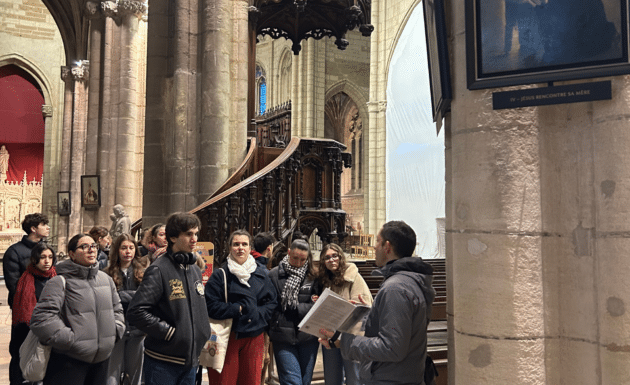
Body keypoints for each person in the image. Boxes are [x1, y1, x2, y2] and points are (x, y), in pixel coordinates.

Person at [318, 221, 435, 385]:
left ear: (387, 247)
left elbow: (391, 347)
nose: (374, 247)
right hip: (400, 375)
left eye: (377, 242)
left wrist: (343, 341)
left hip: (391, 378)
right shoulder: (409, 280)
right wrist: (369, 314)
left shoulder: (396, 288)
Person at [126, 212, 210, 385]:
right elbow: (136, 311)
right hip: (163, 362)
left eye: (195, 234)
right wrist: (169, 332)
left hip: (190, 360)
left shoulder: (193, 269)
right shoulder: (159, 269)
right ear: (172, 237)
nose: (194, 239)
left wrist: (202, 332)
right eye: (188, 234)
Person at [30, 233, 126, 385]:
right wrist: (71, 341)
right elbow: (42, 319)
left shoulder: (105, 279)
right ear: (72, 254)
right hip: (69, 361)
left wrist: (116, 331)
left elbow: (117, 309)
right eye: (84, 247)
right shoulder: (60, 281)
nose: (91, 250)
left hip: (101, 361)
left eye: (93, 246)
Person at [205, 229, 278, 384]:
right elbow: (209, 305)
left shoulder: (261, 273)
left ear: (250, 248)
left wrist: (257, 314)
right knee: (224, 381)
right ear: (229, 248)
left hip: (254, 336)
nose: (240, 248)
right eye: (236, 244)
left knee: (251, 381)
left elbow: (271, 303)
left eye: (244, 244)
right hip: (228, 335)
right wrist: (236, 309)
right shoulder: (220, 275)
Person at [268, 238, 323, 385]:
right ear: (289, 252)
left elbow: (319, 306)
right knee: (292, 382)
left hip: (308, 337)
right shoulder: (274, 275)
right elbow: (271, 306)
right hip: (283, 336)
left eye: (303, 259)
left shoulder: (313, 276)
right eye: (295, 258)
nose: (298, 263)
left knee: (305, 381)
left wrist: (295, 308)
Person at [316, 243, 373, 385]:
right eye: (327, 257)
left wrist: (350, 304)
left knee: (354, 378)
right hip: (330, 334)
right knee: (332, 378)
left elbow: (365, 303)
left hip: (350, 336)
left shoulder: (354, 276)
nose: (331, 260)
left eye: (334, 256)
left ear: (341, 256)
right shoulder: (325, 280)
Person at [104, 234, 150, 385]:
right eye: (124, 248)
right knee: (112, 373)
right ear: (117, 250)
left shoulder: (143, 272)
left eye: (131, 248)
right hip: (115, 329)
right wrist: (131, 296)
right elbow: (108, 299)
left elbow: (146, 297)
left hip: (137, 329)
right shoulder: (106, 273)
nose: (127, 252)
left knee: (135, 374)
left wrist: (120, 295)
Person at [9, 243, 57, 385]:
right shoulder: (25, 280)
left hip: (50, 332)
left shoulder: (56, 278)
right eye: (42, 257)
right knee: (22, 366)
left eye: (50, 257)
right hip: (26, 331)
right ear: (35, 259)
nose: (47, 261)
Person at [3, 212, 50, 309]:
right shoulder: (14, 251)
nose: (48, 227)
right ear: (33, 229)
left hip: (47, 302)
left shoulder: (47, 250)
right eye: (43, 225)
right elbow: (13, 284)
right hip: (24, 305)